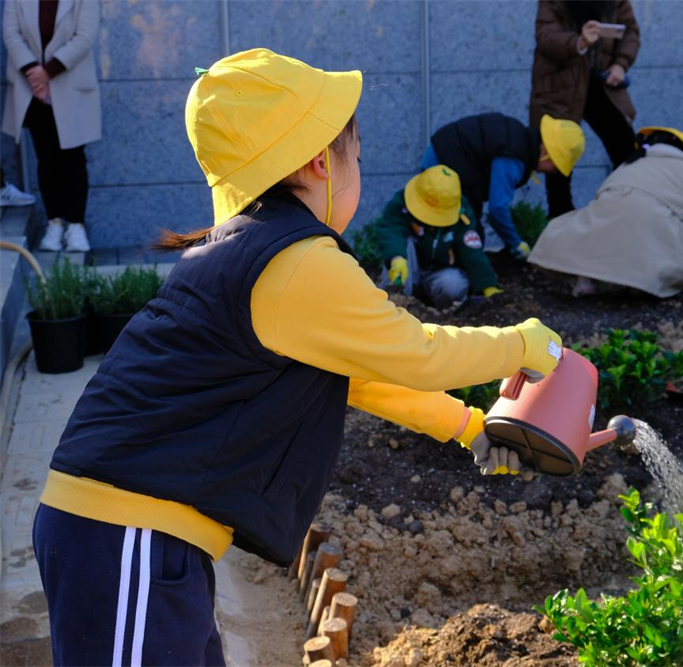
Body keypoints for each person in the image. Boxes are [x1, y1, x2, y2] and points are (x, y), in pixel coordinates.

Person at [31, 49, 563, 666]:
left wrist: (469, 426)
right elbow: (417, 351)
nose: (359, 170)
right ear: (320, 163)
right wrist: (522, 343)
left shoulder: (253, 248)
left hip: (135, 532)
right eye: (357, 157)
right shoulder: (296, 261)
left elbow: (361, 376)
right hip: (123, 531)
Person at [529, 127, 683, 298]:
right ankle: (646, 284)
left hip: (604, 241)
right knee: (660, 231)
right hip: (650, 255)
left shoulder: (627, 166)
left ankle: (587, 279)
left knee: (601, 223)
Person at [2, 0, 101, 252]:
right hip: (33, 89)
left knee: (74, 158)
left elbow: (85, 36)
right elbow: (11, 33)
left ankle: (76, 226)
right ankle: (54, 223)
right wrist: (34, 72)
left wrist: (48, 71)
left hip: (70, 85)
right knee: (46, 159)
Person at [422, 112, 584, 260]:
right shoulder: (513, 157)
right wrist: (516, 244)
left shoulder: (520, 139)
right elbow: (497, 209)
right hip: (444, 165)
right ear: (546, 152)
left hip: (447, 158)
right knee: (468, 239)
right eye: (555, 167)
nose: (552, 172)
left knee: (469, 231)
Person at [530, 0, 640, 219]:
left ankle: (629, 211)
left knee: (627, 150)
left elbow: (630, 31)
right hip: (560, 85)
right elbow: (546, 38)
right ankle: (560, 223)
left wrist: (620, 64)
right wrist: (579, 41)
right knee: (558, 163)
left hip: (601, 83)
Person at [376, 165, 502, 309]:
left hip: (439, 273)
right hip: (409, 268)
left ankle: (441, 312)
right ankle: (395, 301)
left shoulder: (462, 214)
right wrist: (396, 258)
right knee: (401, 248)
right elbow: (391, 229)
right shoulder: (402, 202)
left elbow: (471, 251)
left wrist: (487, 285)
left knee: (455, 285)